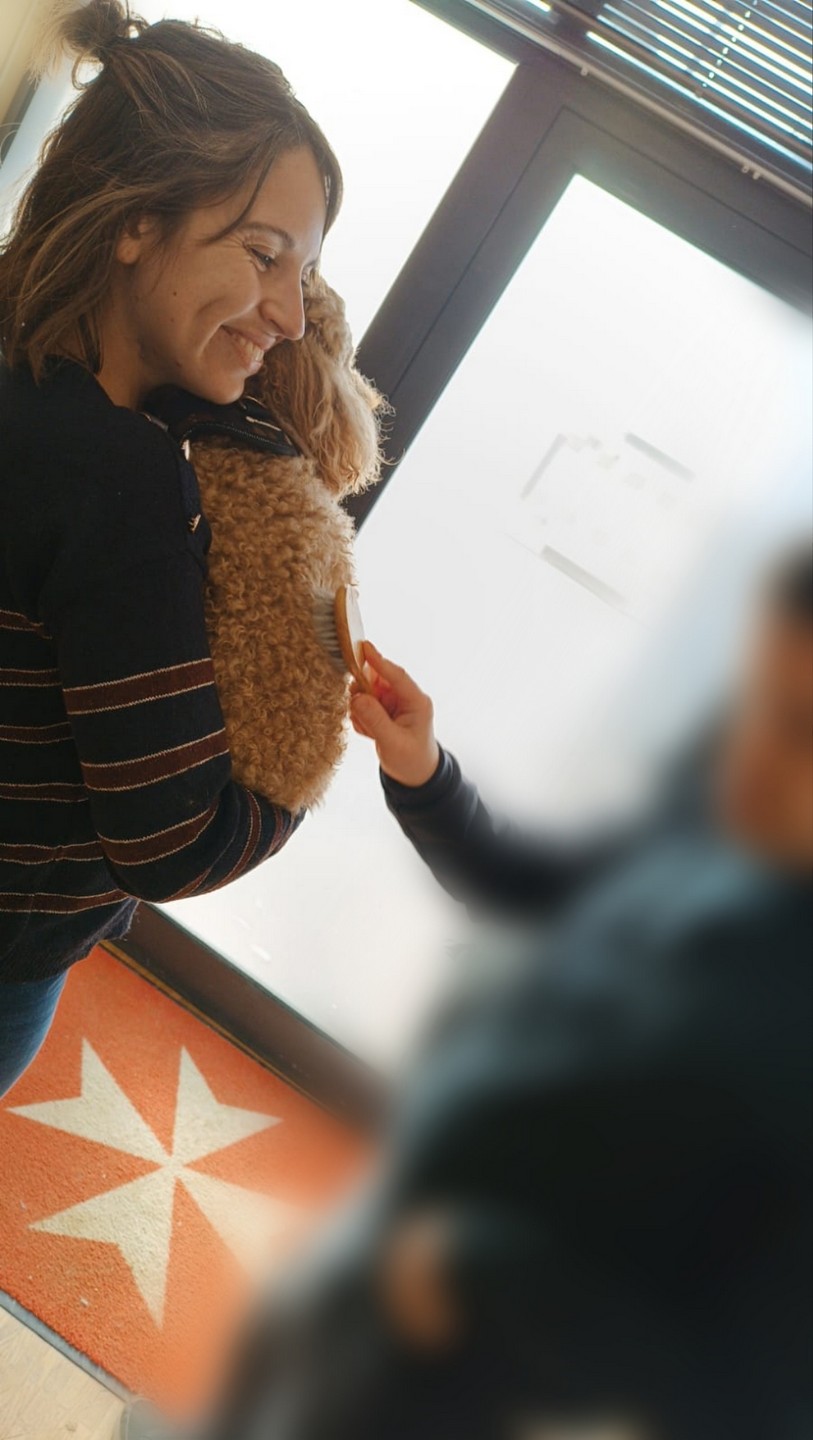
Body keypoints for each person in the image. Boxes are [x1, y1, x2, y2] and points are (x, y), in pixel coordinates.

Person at [122, 543, 812, 1440]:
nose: (752, 755)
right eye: (757, 703)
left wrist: (495, 1281)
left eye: (799, 730)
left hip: (521, 1343)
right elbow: (545, 896)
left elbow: (753, 1381)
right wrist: (425, 772)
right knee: (303, 1338)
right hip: (449, 1212)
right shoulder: (725, 818)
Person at [0, 1, 342, 1095]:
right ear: (137, 220)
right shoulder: (119, 481)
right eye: (263, 255)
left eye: (302, 277)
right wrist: (295, 776)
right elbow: (172, 842)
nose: (291, 317)